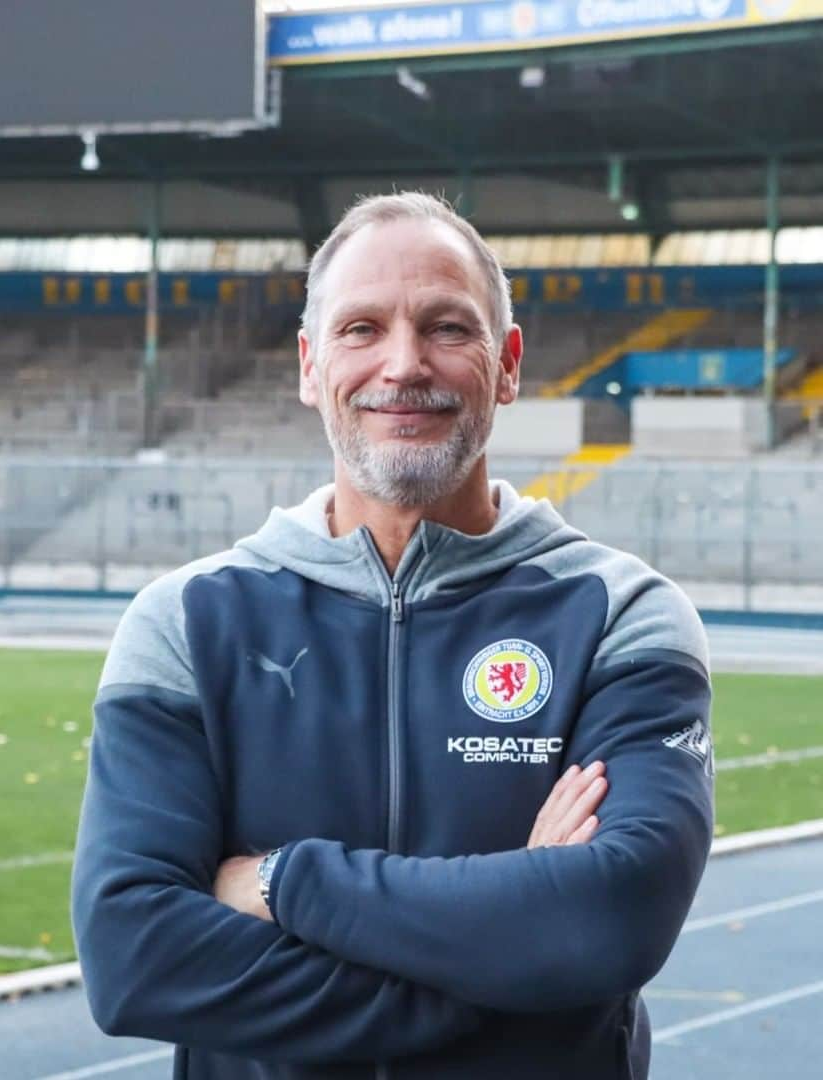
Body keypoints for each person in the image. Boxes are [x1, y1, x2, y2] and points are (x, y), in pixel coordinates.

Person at [72, 192, 713, 1079]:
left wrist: (283, 881)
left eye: (448, 328)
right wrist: (508, 961)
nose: (403, 365)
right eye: (361, 328)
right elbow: (133, 959)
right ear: (309, 365)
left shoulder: (621, 615)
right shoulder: (185, 624)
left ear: (508, 364)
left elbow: (611, 918)